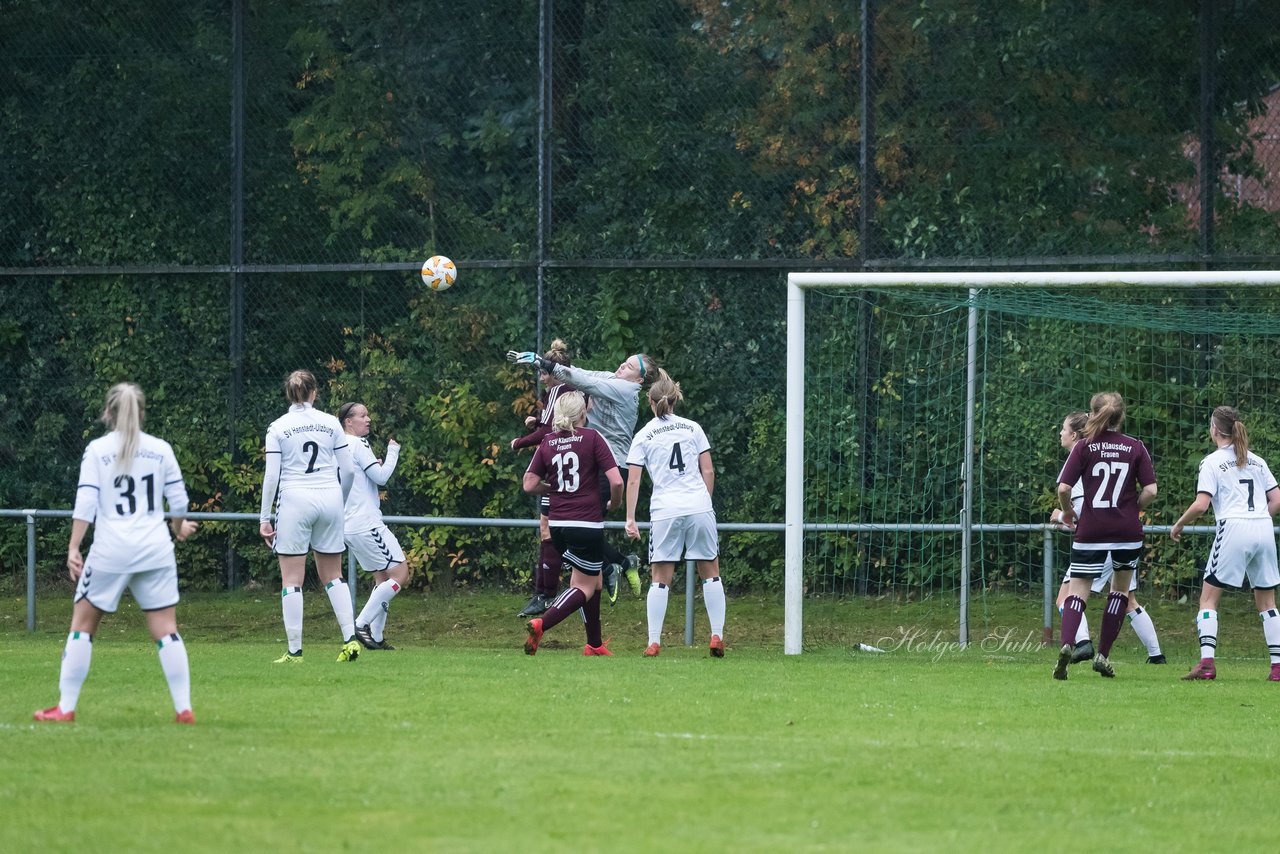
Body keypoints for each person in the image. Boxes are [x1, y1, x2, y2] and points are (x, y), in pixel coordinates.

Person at [34, 382, 199, 724]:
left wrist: (74, 546)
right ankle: (184, 708)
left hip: (111, 550)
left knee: (82, 626)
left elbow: (86, 501)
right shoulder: (161, 449)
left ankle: (66, 707)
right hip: (155, 549)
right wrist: (177, 526)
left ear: (108, 413)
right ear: (142, 413)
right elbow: (179, 502)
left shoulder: (97, 450)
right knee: (166, 629)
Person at [509, 347, 660, 603]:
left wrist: (542, 362)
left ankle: (610, 570)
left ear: (639, 380)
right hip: (592, 459)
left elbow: (583, 381)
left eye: (629, 367)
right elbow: (580, 372)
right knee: (575, 531)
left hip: (609, 463)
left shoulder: (626, 390)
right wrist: (545, 365)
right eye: (623, 362)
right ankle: (616, 565)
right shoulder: (614, 379)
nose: (621, 367)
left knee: (578, 532)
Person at [1052, 391, 1157, 680]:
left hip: (1091, 530)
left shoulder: (1083, 447)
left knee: (1076, 593)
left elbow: (1063, 489)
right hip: (1126, 531)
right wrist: (1132, 507)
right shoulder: (1135, 446)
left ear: (1094, 412)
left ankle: (1066, 645)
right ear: (1121, 416)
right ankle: (1103, 655)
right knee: (1120, 592)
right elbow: (1151, 490)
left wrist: (1068, 512)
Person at [1170, 406, 1280, 681]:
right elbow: (1277, 500)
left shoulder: (1212, 462)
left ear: (1215, 430)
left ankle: (1207, 664)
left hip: (1233, 527)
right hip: (1264, 528)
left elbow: (1201, 505)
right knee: (1267, 602)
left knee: (1208, 598)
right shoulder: (1257, 460)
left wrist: (1180, 523)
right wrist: (1256, 519)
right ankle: (1277, 668)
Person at [259, 370, 359, 664]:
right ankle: (350, 640)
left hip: (295, 501)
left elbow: (272, 476)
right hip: (329, 497)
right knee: (334, 575)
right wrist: (338, 501)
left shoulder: (278, 427)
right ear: (314, 393)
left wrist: (265, 518)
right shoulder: (331, 423)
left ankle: (295, 652)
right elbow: (349, 470)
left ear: (289, 395)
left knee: (292, 578)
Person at [624, 371, 726, 657]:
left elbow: (633, 480)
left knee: (660, 577)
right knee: (711, 573)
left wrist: (630, 518)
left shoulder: (644, 434)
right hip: (698, 506)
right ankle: (717, 635)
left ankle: (653, 642)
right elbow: (708, 470)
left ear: (651, 401)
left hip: (665, 511)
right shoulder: (693, 428)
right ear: (675, 398)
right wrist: (702, 504)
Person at [521, 391, 623, 656]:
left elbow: (529, 484)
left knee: (595, 580)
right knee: (584, 586)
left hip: (557, 524)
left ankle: (595, 644)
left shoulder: (548, 441)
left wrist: (552, 487)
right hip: (586, 523)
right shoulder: (592, 437)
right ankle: (542, 624)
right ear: (582, 414)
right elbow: (617, 481)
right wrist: (615, 503)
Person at [509, 339, 576, 618]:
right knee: (555, 531)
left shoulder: (559, 390)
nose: (541, 376)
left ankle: (545, 594)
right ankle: (544, 592)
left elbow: (549, 433)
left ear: (552, 372)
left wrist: (519, 443)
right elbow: (550, 425)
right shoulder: (568, 389)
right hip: (570, 463)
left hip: (560, 465)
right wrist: (537, 422)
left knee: (551, 531)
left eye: (544, 371)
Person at [339, 401, 408, 650]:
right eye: (362, 415)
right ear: (348, 421)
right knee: (401, 574)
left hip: (349, 525)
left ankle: (377, 638)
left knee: (382, 579)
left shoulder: (339, 445)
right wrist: (393, 453)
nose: (368, 419)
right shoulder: (357, 444)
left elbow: (359, 477)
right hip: (367, 523)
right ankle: (360, 624)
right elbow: (381, 477)